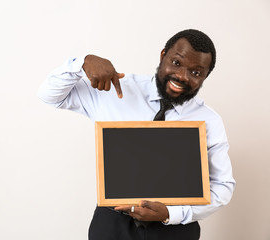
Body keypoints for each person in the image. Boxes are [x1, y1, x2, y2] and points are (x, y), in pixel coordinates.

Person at [37, 29, 235, 240]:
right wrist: (82, 63)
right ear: (163, 55)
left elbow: (223, 186)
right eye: (176, 63)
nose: (181, 76)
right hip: (113, 223)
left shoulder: (209, 120)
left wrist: (171, 213)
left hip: (176, 228)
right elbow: (49, 95)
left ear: (205, 76)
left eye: (196, 73)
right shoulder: (114, 90)